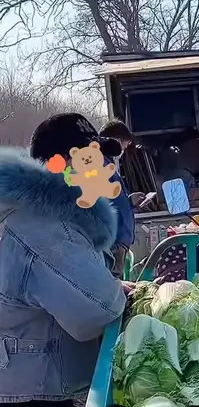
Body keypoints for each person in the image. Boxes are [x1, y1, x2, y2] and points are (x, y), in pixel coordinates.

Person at [0, 113, 128, 405]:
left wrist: (111, 283)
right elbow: (95, 310)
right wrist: (115, 292)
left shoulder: (33, 211)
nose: (103, 169)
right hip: (33, 392)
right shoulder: (42, 227)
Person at [99, 119, 135, 279]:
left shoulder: (108, 165)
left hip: (117, 240)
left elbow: (114, 199)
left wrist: (130, 202)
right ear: (116, 141)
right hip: (113, 242)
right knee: (114, 284)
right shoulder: (100, 166)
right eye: (125, 146)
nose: (123, 151)